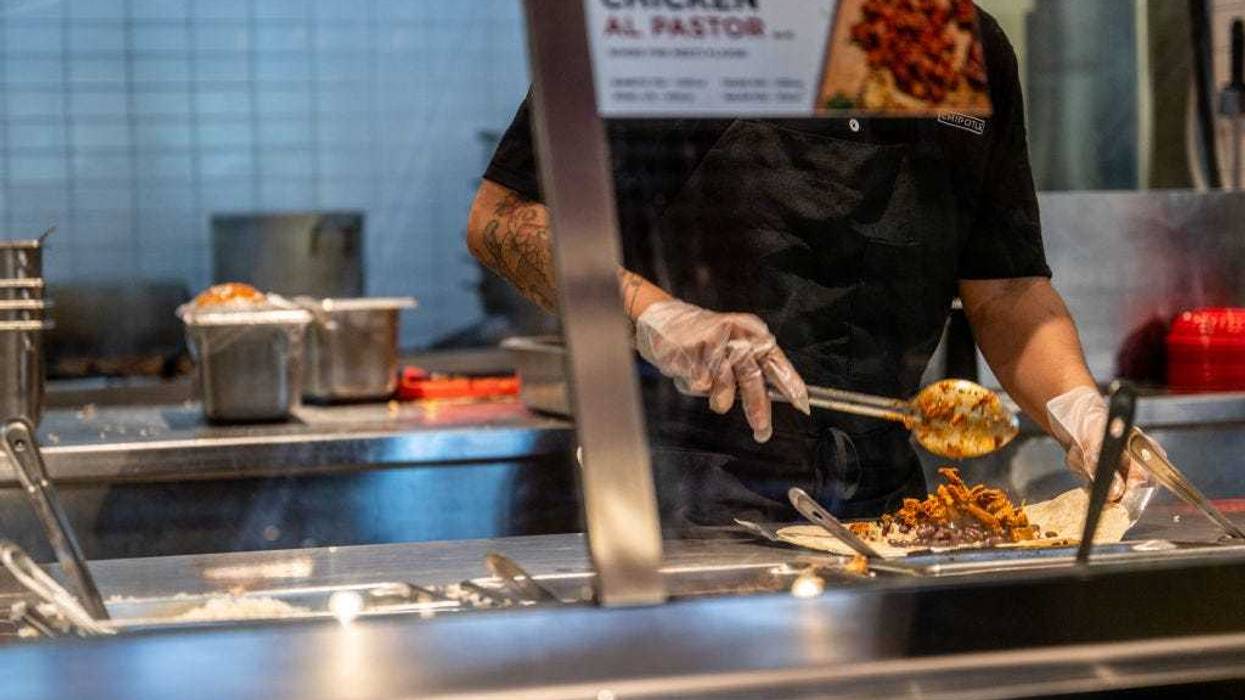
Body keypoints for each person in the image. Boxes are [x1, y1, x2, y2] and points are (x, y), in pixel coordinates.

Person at [467, 10, 1153, 533]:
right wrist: (653, 314)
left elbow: (1005, 288)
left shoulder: (960, 43)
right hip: (681, 495)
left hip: (887, 509)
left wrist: (1078, 408)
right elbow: (504, 217)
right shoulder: (679, 26)